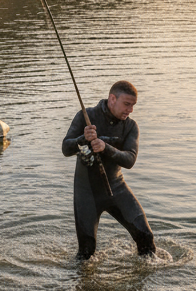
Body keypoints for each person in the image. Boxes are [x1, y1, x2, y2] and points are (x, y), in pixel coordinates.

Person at [62, 80, 156, 259]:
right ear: (112, 99)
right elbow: (66, 149)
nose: (130, 110)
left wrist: (106, 147)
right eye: (127, 104)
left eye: (133, 105)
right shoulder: (86, 115)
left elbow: (130, 160)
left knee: (146, 238)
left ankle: (146, 282)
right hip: (86, 193)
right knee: (86, 252)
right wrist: (82, 139)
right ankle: (82, 283)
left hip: (116, 188)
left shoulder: (130, 126)